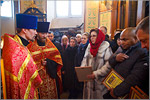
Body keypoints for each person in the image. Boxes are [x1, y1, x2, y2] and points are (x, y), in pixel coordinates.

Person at [2, 14, 42, 99]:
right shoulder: (16, 50)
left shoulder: (19, 44)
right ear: (24, 30)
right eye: (34, 29)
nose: (36, 33)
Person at [103, 27, 149, 98]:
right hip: (115, 87)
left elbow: (134, 78)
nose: (121, 42)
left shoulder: (142, 52)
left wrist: (116, 92)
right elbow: (110, 61)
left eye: (125, 40)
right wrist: (115, 58)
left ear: (136, 39)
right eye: (120, 39)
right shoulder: (122, 48)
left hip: (124, 93)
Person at [27, 22, 63, 99]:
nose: (45, 36)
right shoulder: (30, 46)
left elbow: (58, 60)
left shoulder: (51, 45)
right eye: (42, 33)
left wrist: (49, 62)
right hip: (38, 79)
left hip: (51, 78)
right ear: (37, 33)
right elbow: (27, 63)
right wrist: (40, 64)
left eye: (46, 33)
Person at [80, 28, 113, 99]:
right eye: (91, 36)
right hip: (89, 80)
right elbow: (84, 60)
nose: (92, 38)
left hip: (99, 81)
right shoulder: (89, 46)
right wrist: (82, 71)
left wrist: (96, 74)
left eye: (94, 36)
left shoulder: (106, 47)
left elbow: (108, 65)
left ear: (99, 36)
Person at [74, 32, 89, 98]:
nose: (83, 40)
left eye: (84, 38)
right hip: (79, 67)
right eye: (82, 38)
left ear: (88, 39)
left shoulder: (89, 47)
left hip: (86, 68)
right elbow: (77, 57)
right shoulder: (79, 47)